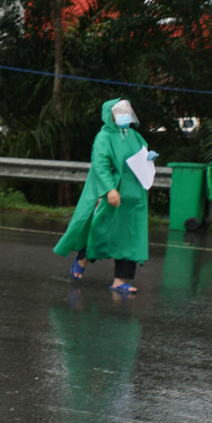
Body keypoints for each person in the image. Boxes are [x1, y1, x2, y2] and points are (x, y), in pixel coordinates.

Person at [54, 98, 152, 294]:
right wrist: (109, 189)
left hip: (134, 196)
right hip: (114, 193)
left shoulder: (134, 135)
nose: (125, 115)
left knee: (130, 237)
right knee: (102, 230)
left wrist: (148, 157)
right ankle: (84, 255)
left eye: (127, 111)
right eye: (120, 111)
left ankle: (120, 281)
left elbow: (142, 155)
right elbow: (100, 165)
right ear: (110, 115)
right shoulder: (104, 137)